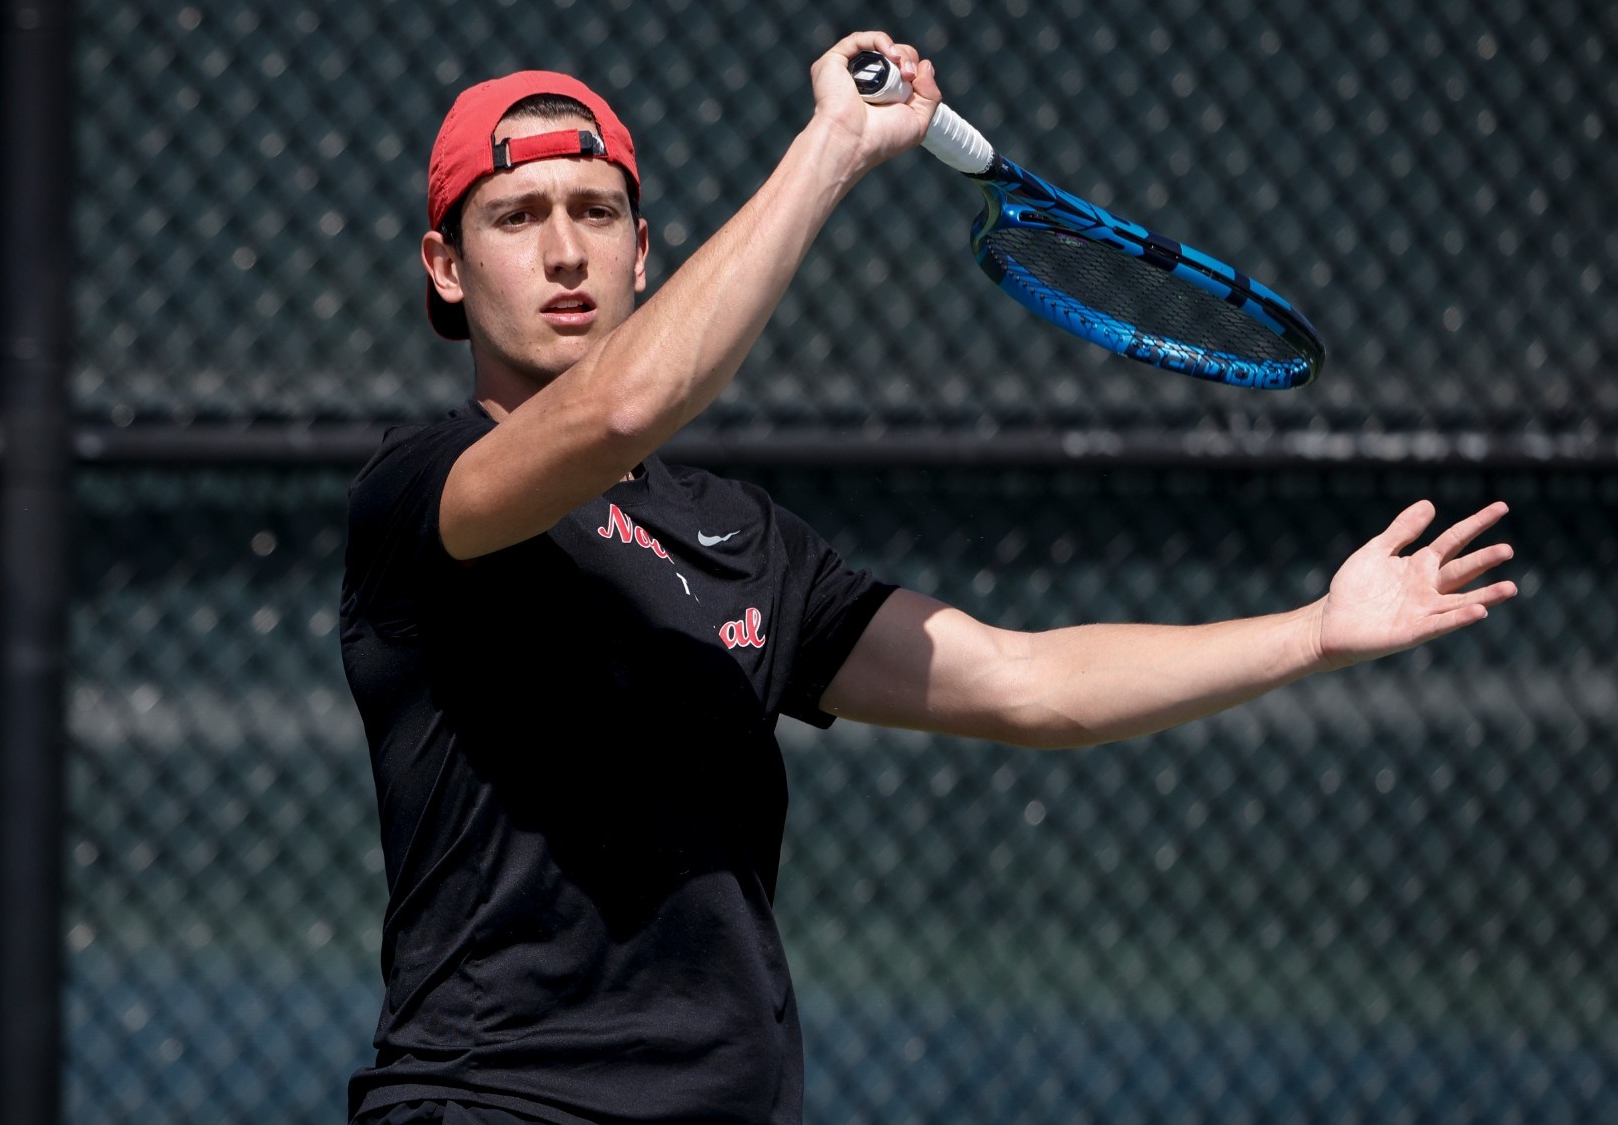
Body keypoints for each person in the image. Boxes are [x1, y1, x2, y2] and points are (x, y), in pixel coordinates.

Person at [338, 31, 1515, 1125]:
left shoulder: (742, 540)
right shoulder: (423, 493)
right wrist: (833, 147)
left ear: (642, 252)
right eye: (515, 217)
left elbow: (1022, 683)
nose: (562, 249)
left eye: (596, 211)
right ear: (445, 266)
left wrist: (1310, 631)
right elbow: (624, 406)